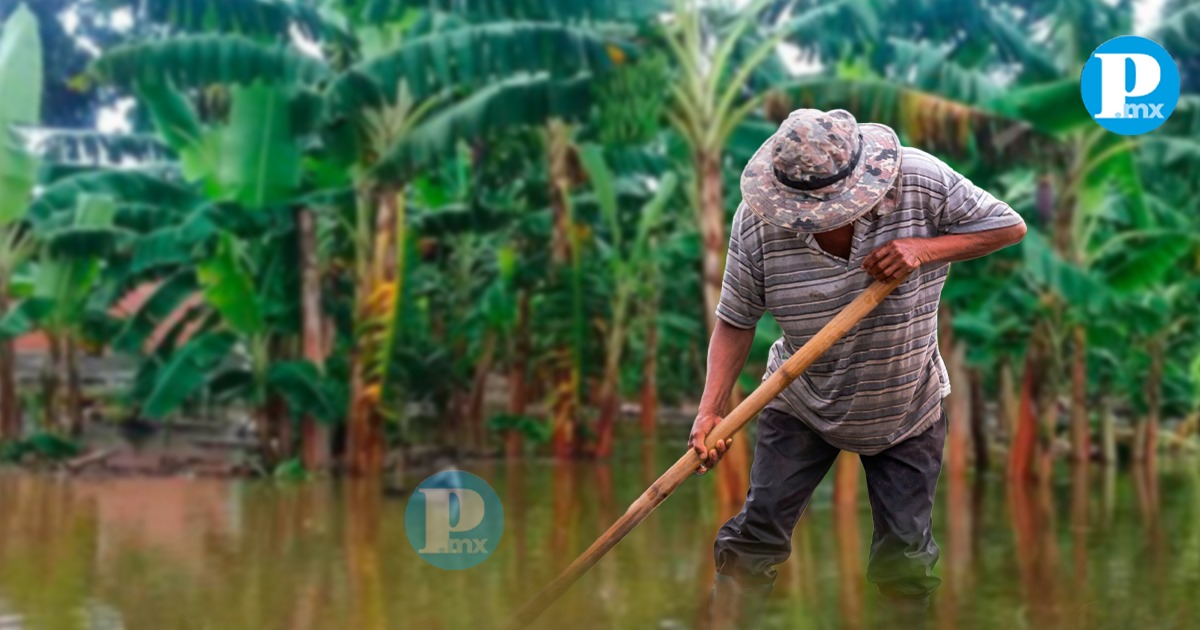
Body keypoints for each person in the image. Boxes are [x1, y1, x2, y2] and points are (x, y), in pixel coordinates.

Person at [690, 108, 1026, 627]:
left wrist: (924, 249)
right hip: (801, 398)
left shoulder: (918, 179)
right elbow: (736, 320)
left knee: (906, 561)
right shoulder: (757, 223)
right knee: (754, 540)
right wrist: (709, 412)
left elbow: (1008, 225)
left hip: (906, 401)